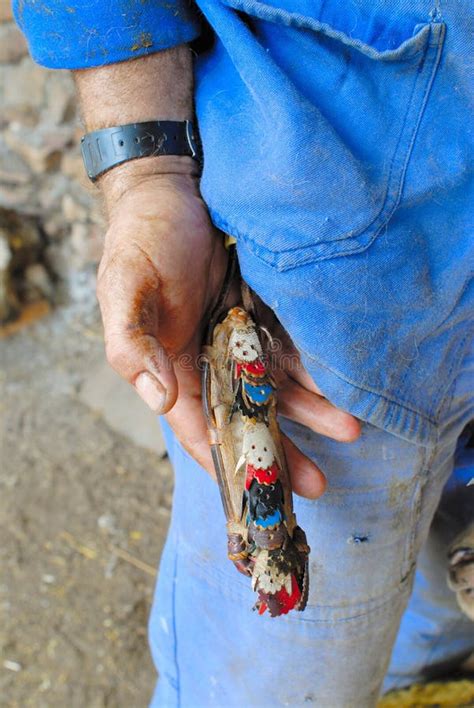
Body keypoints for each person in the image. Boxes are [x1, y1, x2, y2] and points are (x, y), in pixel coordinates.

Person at [13, 1, 473, 705]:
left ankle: (410, 674)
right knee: (271, 674)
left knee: (436, 605)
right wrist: (147, 175)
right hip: (324, 291)